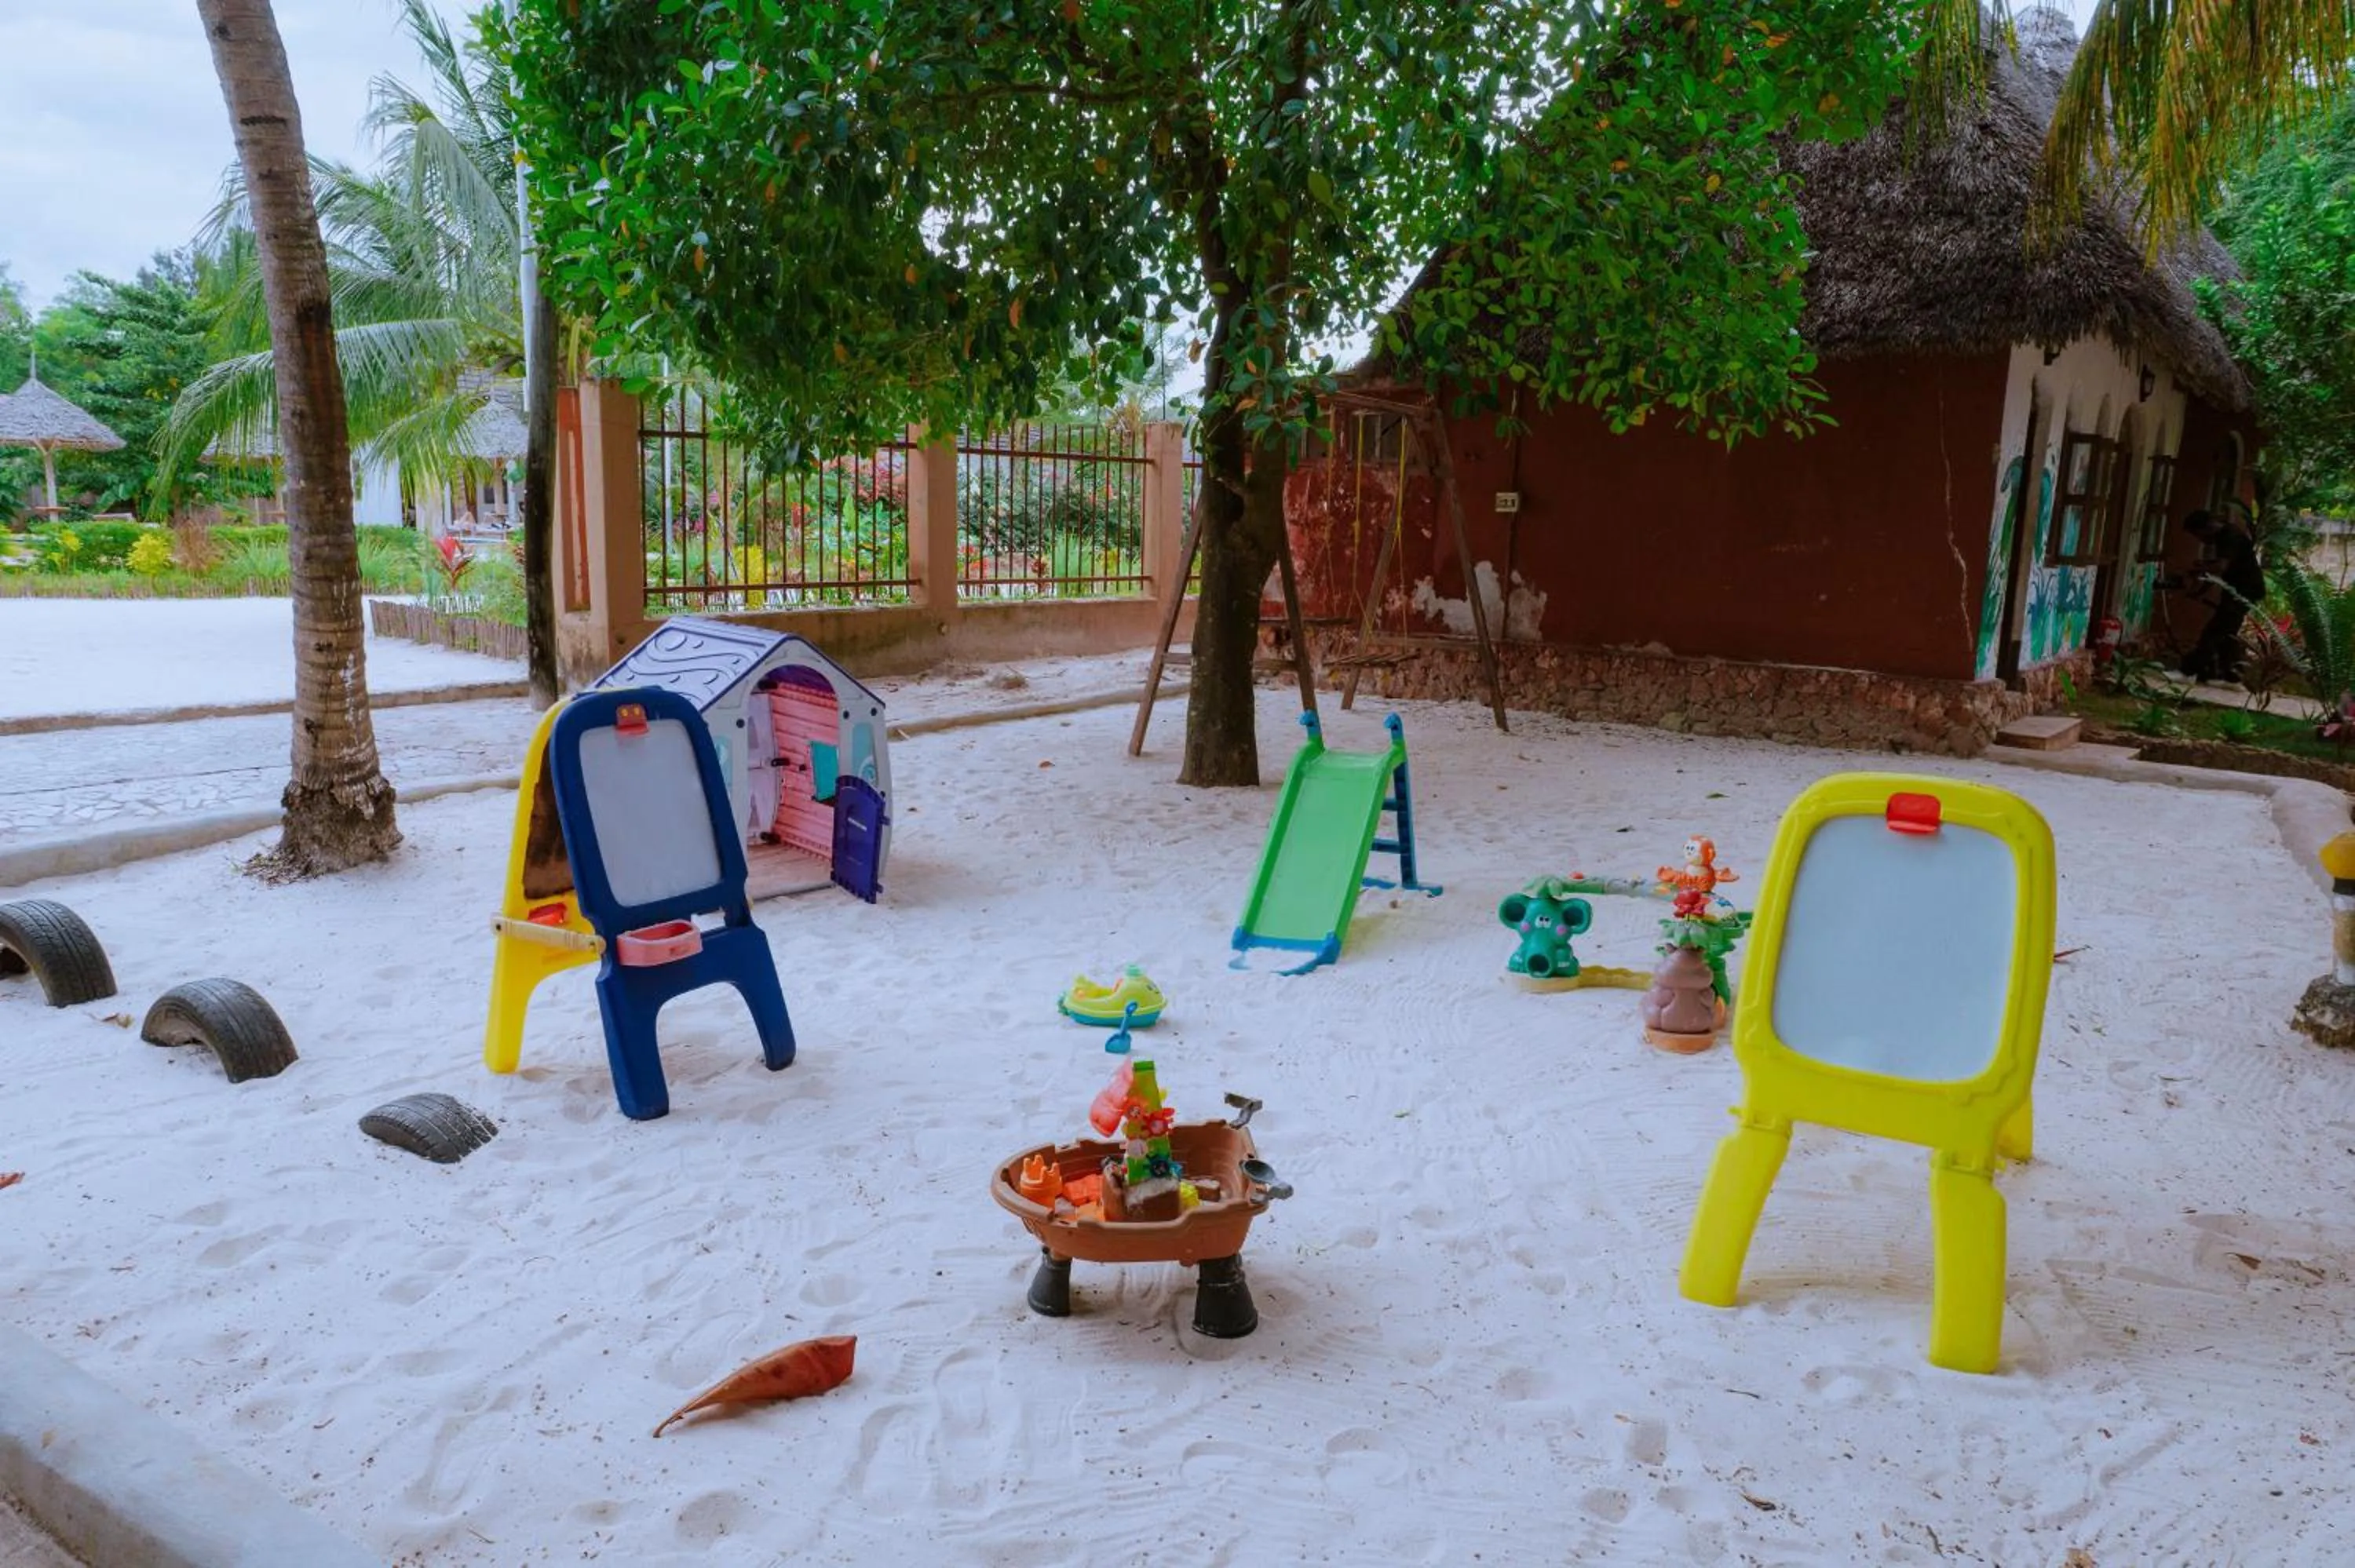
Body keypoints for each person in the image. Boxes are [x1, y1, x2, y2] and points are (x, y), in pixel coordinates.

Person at [2175, 507, 2266, 684]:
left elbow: (2221, 567)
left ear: (2204, 528)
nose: (2202, 541)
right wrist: (2199, 585)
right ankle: (2232, 678)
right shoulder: (2226, 535)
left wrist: (2200, 569)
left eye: (2199, 536)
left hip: (2244, 591)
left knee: (2215, 631)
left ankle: (2189, 672)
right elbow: (2220, 570)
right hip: (2238, 590)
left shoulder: (2228, 536)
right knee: (2227, 634)